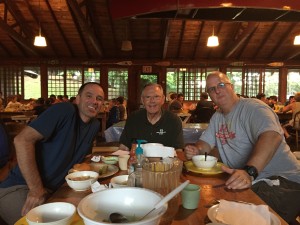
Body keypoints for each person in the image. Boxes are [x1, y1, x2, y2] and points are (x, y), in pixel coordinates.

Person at [185, 71, 300, 224]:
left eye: (220, 85)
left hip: (282, 182)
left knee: (234, 217)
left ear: (231, 87)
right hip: (247, 182)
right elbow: (204, 144)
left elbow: (272, 136)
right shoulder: (217, 117)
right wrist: (196, 149)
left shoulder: (253, 107)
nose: (217, 91)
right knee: (211, 209)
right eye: (211, 89)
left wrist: (249, 172)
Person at [0, 82, 105, 225]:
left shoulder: (94, 125)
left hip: (53, 191)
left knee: (93, 211)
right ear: (78, 99)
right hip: (21, 187)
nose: (94, 101)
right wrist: (36, 190)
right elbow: (21, 140)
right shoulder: (65, 110)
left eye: (99, 98)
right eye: (89, 96)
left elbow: (80, 163)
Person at [119, 83, 184, 151]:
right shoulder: (133, 118)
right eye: (148, 97)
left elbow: (178, 150)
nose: (152, 101)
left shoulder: (174, 120)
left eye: (156, 97)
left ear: (163, 99)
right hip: (138, 161)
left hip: (166, 161)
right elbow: (123, 147)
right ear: (142, 100)